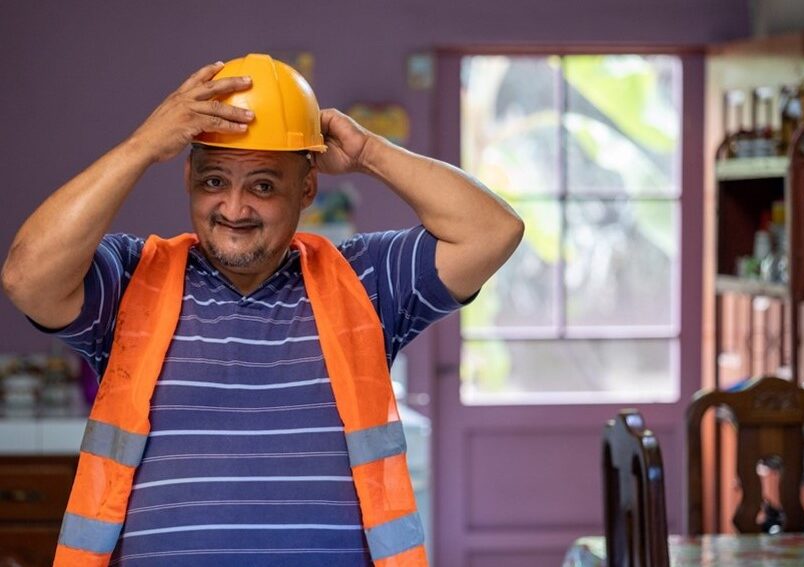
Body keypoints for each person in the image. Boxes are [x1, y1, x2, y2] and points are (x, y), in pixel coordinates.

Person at [2, 54, 524, 566]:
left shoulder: (363, 280)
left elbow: (492, 231)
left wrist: (368, 152)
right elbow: (26, 277)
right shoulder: (132, 278)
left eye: (264, 185)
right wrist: (141, 148)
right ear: (188, 179)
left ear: (308, 188)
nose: (234, 208)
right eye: (213, 181)